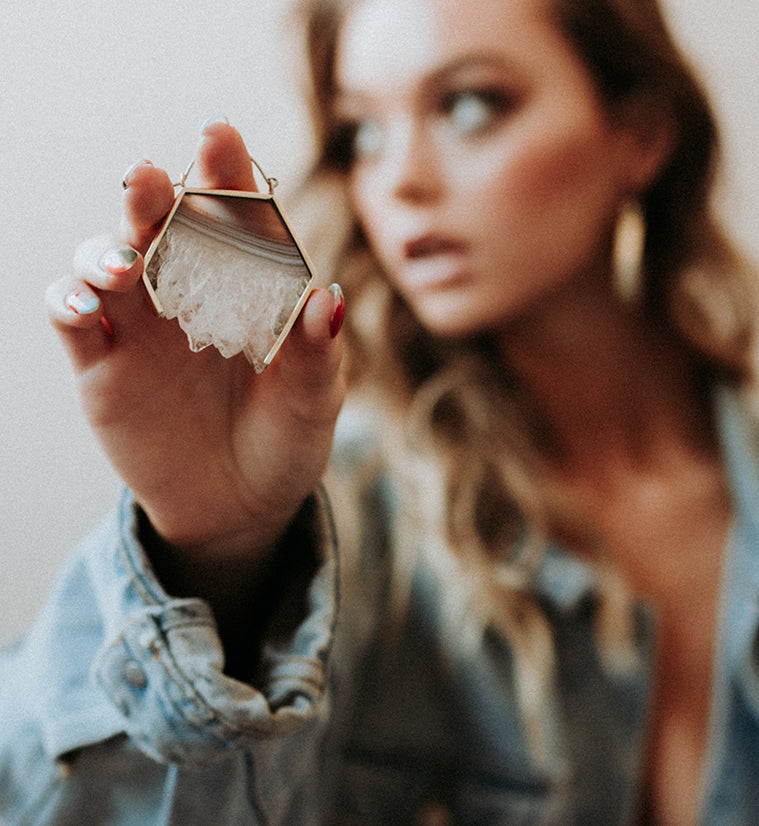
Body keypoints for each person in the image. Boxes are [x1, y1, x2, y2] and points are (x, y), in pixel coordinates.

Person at [2, 0, 758, 822]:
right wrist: (213, 555)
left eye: (469, 106)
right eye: (361, 132)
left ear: (640, 135)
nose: (398, 180)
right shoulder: (348, 511)